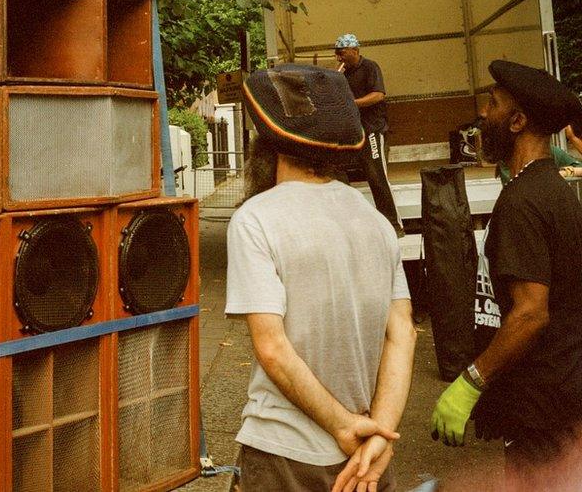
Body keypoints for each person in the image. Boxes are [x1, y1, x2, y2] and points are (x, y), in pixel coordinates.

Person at [226, 63, 415, 492]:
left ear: (266, 143)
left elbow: (272, 347)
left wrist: (344, 426)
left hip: (282, 455)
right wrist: (378, 436)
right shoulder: (375, 221)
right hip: (365, 460)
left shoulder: (255, 220)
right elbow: (403, 332)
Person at [430, 60, 582, 486]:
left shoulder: (525, 203)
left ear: (517, 121)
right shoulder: (549, 189)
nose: (483, 113)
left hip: (541, 406)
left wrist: (470, 381)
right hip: (556, 397)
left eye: (493, 105)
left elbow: (531, 313)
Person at [334, 34, 404, 236]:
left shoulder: (370, 67)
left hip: (373, 129)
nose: (339, 57)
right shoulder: (342, 74)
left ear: (354, 50)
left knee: (376, 175)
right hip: (353, 131)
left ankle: (394, 224)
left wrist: (352, 104)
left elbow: (378, 95)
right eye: (337, 53)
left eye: (342, 52)